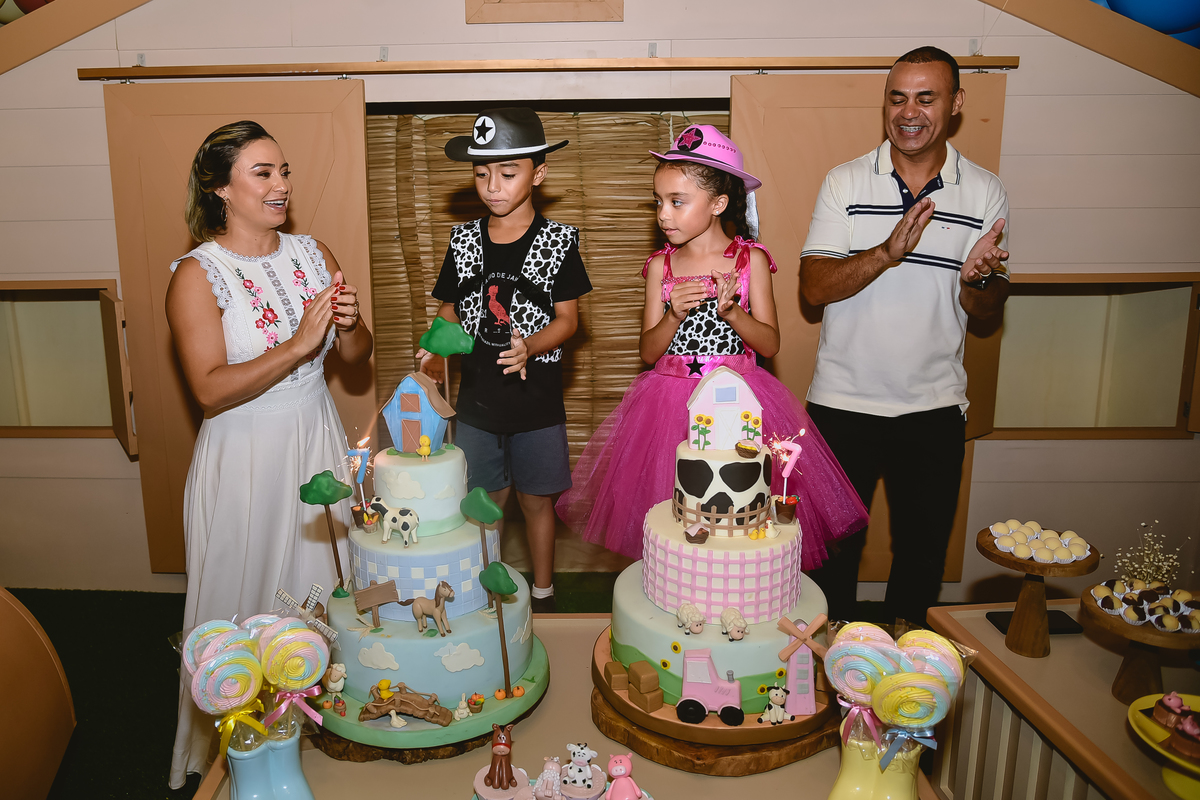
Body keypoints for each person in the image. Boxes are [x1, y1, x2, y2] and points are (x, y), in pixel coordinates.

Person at [166, 120, 373, 788]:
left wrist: (350, 327)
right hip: (245, 455)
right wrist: (296, 344)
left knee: (322, 587)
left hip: (314, 438)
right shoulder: (199, 275)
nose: (281, 185)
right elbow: (206, 388)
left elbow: (357, 358)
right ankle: (235, 752)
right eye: (263, 172)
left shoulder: (314, 253)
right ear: (219, 186)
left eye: (284, 171)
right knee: (243, 592)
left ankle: (324, 727)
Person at [556, 125, 868, 568]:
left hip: (737, 401)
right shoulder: (660, 267)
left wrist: (734, 313)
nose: (663, 214)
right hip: (667, 406)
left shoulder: (749, 261)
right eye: (658, 201)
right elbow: (648, 352)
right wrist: (673, 315)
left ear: (718, 204)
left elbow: (771, 342)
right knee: (674, 521)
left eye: (677, 202)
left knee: (737, 515)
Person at [799, 47, 1011, 626]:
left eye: (926, 96)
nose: (909, 111)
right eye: (897, 97)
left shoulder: (985, 192)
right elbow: (813, 288)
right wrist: (887, 253)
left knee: (920, 558)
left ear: (956, 103)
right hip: (842, 403)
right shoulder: (843, 181)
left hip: (934, 407)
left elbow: (984, 311)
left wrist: (980, 280)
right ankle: (827, 676)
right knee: (828, 558)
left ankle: (909, 691)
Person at [418, 108, 592, 614]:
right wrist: (434, 345)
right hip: (476, 405)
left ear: (539, 173)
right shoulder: (464, 240)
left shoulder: (558, 242)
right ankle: (484, 591)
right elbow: (449, 312)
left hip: (536, 403)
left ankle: (543, 593)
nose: (492, 185)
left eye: (508, 172)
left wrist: (531, 346)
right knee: (485, 503)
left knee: (538, 501)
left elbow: (568, 320)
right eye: (481, 172)